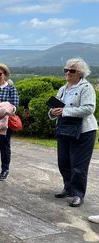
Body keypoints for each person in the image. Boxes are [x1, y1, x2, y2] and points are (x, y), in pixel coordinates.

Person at [49, 58, 97, 207]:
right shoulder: (63, 89)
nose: (68, 73)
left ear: (80, 73)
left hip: (83, 131)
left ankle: (78, 194)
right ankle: (68, 187)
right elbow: (55, 108)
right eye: (66, 70)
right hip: (65, 129)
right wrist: (52, 112)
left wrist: (64, 111)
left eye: (72, 70)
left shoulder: (85, 87)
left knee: (78, 165)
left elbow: (89, 108)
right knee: (63, 161)